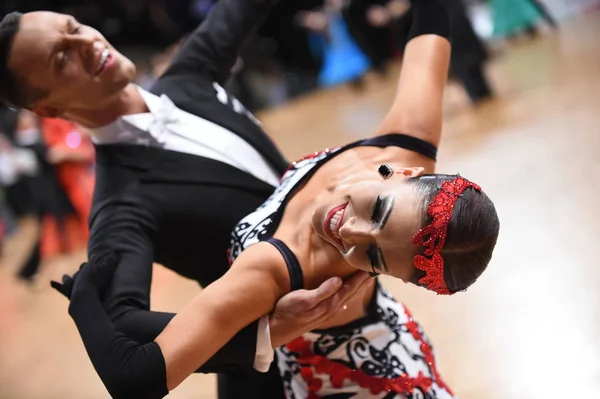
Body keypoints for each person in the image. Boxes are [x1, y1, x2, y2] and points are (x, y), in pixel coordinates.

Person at [53, 0, 500, 398]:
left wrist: (85, 304)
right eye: (379, 211)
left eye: (375, 258)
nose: (349, 232)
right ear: (405, 172)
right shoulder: (406, 144)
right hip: (391, 352)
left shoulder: (274, 269)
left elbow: (134, 379)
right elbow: (434, 17)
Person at [0, 0, 370, 391]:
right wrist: (265, 330)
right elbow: (122, 327)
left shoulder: (190, 75)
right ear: (49, 107)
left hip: (367, 313)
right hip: (287, 378)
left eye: (73, 27)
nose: (86, 43)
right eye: (62, 58)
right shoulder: (120, 204)